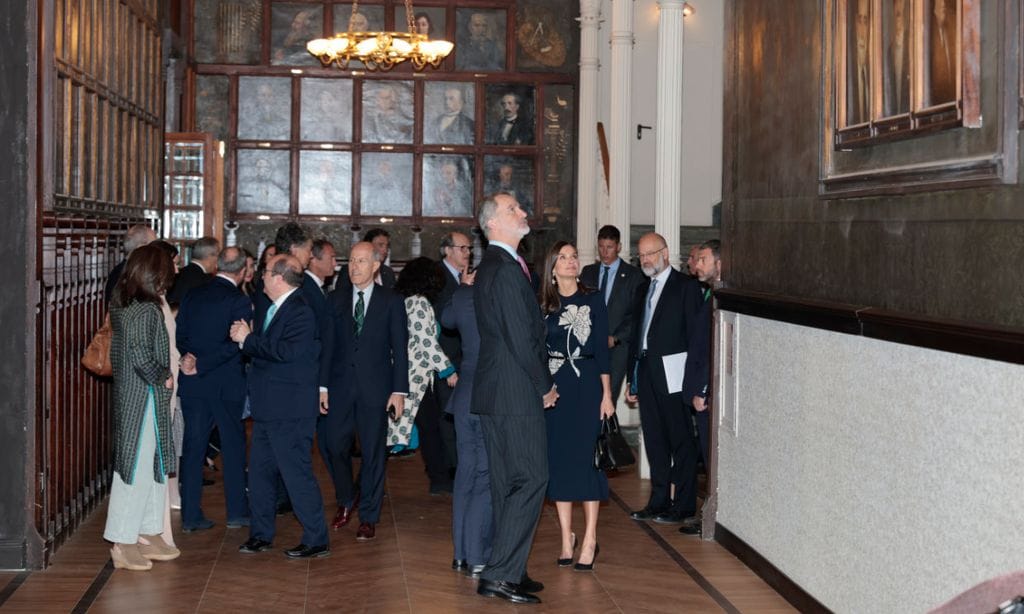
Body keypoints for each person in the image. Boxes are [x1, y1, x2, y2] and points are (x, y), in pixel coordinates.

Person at [472, 193, 557, 604]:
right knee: (532, 477)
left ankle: (511, 568)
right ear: (492, 224)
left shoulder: (497, 265)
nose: (523, 212)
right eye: (513, 210)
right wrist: (545, 385)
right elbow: (520, 338)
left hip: (499, 391)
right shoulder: (503, 269)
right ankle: (499, 573)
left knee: (510, 482)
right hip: (513, 391)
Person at [232, 254, 329, 559]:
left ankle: (317, 539)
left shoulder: (300, 310)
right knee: (259, 475)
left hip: (291, 410)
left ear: (279, 277)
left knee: (296, 474)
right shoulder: (276, 307)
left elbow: (287, 353)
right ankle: (261, 534)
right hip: (268, 408)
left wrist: (248, 340)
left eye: (266, 272)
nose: (261, 276)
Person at [321, 242, 409, 541]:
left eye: (361, 261)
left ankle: (369, 515)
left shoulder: (391, 300)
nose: (354, 267)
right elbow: (327, 346)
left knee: (373, 453)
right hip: (339, 387)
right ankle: (347, 498)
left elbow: (400, 349)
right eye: (351, 261)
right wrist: (322, 386)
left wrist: (399, 391)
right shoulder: (335, 300)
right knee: (334, 446)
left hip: (377, 389)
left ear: (375, 266)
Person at [539, 241, 614, 571]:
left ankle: (590, 538)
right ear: (552, 268)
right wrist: (542, 388)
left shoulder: (593, 298)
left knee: (587, 462)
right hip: (556, 389)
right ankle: (566, 536)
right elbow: (536, 351)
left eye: (573, 257)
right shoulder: (543, 304)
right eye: (563, 258)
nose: (570, 262)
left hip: (587, 386)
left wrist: (608, 395)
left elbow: (602, 350)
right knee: (560, 461)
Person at [104, 244, 180, 571]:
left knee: (153, 463)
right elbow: (139, 354)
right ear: (157, 273)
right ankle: (123, 540)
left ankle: (148, 531)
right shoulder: (144, 309)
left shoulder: (126, 302)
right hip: (143, 396)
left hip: (139, 396)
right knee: (135, 467)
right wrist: (163, 376)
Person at [625, 232, 702, 525]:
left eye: (650, 253)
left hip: (675, 374)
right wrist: (632, 379)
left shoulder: (686, 287)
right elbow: (637, 335)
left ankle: (682, 505)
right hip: (645, 372)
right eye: (641, 255)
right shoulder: (641, 289)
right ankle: (658, 501)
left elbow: (695, 337)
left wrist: (693, 380)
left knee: (680, 439)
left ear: (665, 253)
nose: (645, 260)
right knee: (655, 440)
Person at [175, 247, 253, 533]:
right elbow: (236, 345)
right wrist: (203, 363)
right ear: (243, 270)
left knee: (193, 448)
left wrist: (190, 358)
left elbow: (180, 333)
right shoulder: (239, 301)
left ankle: (191, 516)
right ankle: (236, 512)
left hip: (194, 382)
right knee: (232, 448)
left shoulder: (193, 294)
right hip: (226, 385)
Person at [390, 257, 457, 493]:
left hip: (412, 378)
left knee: (423, 429)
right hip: (414, 379)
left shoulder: (406, 301)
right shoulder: (419, 303)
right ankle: (439, 480)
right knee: (429, 430)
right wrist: (447, 369)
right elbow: (426, 342)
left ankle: (439, 479)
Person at [440, 280, 492, 579]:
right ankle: (477, 555)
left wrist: (462, 287)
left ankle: (460, 554)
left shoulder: (461, 295)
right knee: (485, 474)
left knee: (466, 474)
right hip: (489, 398)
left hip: (464, 397)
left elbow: (446, 321)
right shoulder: (500, 296)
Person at [680, 239, 721, 536]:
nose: (697, 265)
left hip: (707, 395)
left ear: (719, 262)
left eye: (703, 259)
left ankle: (712, 516)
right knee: (707, 458)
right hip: (699, 390)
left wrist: (704, 390)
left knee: (711, 458)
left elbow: (715, 351)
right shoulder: (709, 295)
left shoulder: (721, 298)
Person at [579, 225, 645, 405]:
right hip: (589, 347)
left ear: (619, 247)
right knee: (589, 395)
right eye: (601, 247)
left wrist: (615, 338)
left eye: (609, 247)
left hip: (617, 349)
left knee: (607, 398)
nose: (604, 252)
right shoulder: (588, 272)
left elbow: (636, 315)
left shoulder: (634, 275)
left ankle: (604, 432)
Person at [105, 224, 156, 302]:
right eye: (154, 246)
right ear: (141, 247)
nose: (157, 252)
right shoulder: (125, 274)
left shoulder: (123, 270)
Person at [167, 237, 219, 306]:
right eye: (218, 255)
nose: (219, 260)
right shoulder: (206, 281)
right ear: (210, 256)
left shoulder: (177, 274)